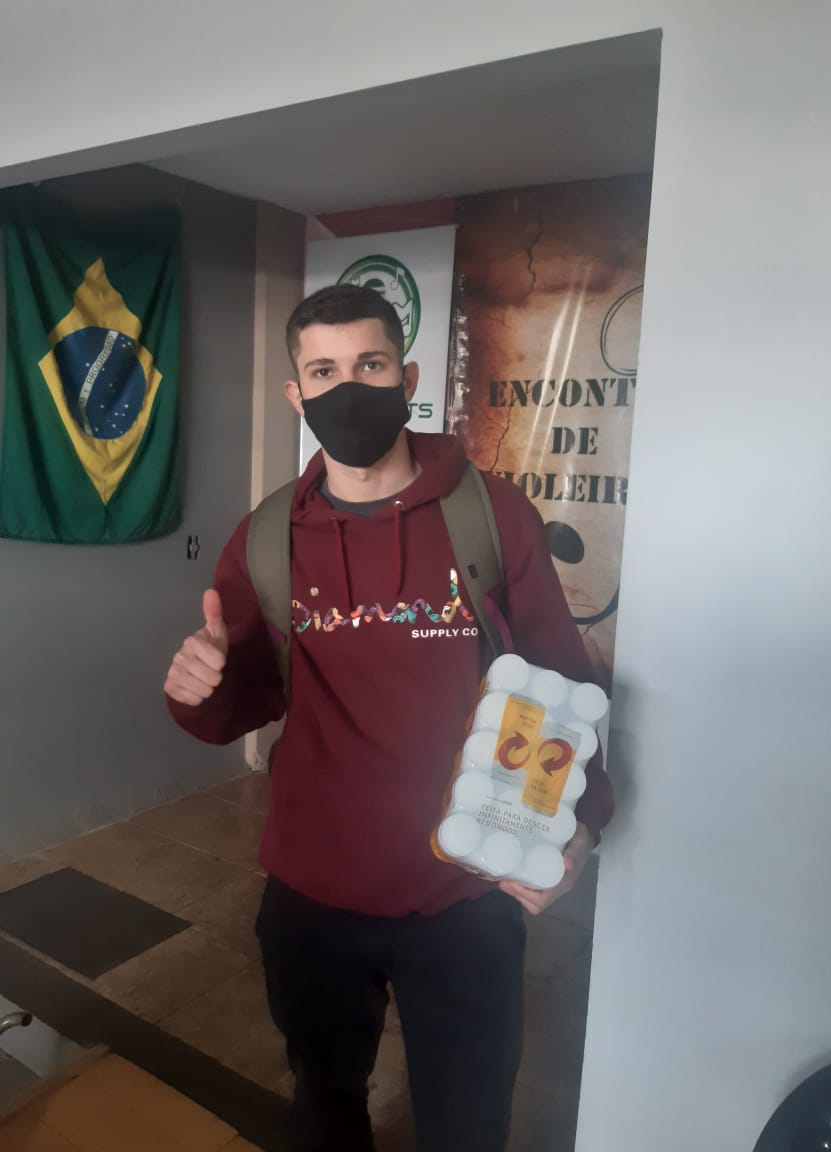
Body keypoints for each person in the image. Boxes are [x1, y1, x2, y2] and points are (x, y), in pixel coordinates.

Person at [164, 284, 614, 1152]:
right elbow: (242, 700)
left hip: (466, 886)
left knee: (467, 1121)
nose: (347, 388)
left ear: (407, 378)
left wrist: (581, 826)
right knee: (325, 1108)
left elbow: (563, 680)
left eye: (369, 364)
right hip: (313, 895)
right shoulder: (266, 539)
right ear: (296, 393)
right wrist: (200, 688)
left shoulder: (491, 516)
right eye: (322, 372)